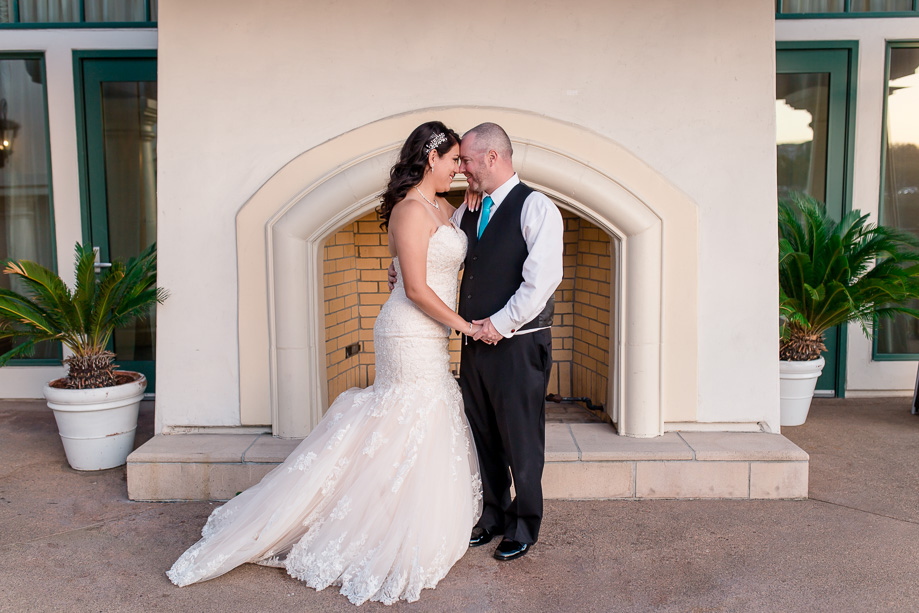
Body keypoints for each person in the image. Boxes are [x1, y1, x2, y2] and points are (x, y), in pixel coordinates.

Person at [166, 121, 484, 606]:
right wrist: (463, 325)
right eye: (455, 160)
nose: (460, 168)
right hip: (407, 329)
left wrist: (467, 207)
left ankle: (401, 509)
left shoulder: (444, 207)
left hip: (429, 331)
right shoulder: (409, 210)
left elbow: (428, 258)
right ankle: (362, 520)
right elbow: (417, 289)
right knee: (406, 414)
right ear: (430, 159)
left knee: (423, 416)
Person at [389, 122, 564, 561]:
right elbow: (428, 252)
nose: (462, 168)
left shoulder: (536, 207)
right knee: (482, 434)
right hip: (474, 343)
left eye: (466, 160)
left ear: (492, 157)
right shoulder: (466, 209)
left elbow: (541, 281)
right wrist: (397, 269)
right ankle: (491, 516)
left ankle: (524, 526)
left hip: (518, 342)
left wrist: (497, 325)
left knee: (521, 439)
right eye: (457, 161)